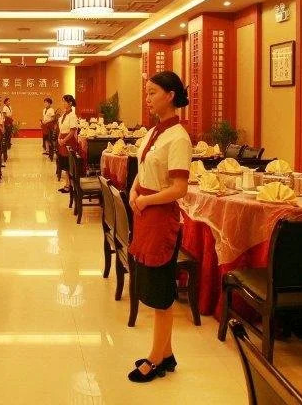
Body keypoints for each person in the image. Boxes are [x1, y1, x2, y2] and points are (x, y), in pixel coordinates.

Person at [127, 71, 192, 383]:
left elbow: (179, 188)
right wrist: (133, 190)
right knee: (152, 285)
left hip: (161, 217)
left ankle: (155, 359)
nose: (148, 98)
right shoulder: (155, 131)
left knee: (161, 292)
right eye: (147, 92)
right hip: (145, 214)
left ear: (170, 95)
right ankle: (166, 354)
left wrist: (146, 200)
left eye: (153, 92)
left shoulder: (178, 137)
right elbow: (144, 168)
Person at [56, 94, 78, 193]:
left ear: (70, 103)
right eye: (63, 101)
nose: (63, 103)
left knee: (69, 164)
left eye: (65, 101)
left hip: (69, 142)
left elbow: (72, 131)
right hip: (62, 141)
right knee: (64, 164)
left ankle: (69, 185)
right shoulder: (64, 115)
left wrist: (64, 140)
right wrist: (59, 138)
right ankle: (67, 184)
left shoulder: (72, 115)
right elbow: (61, 129)